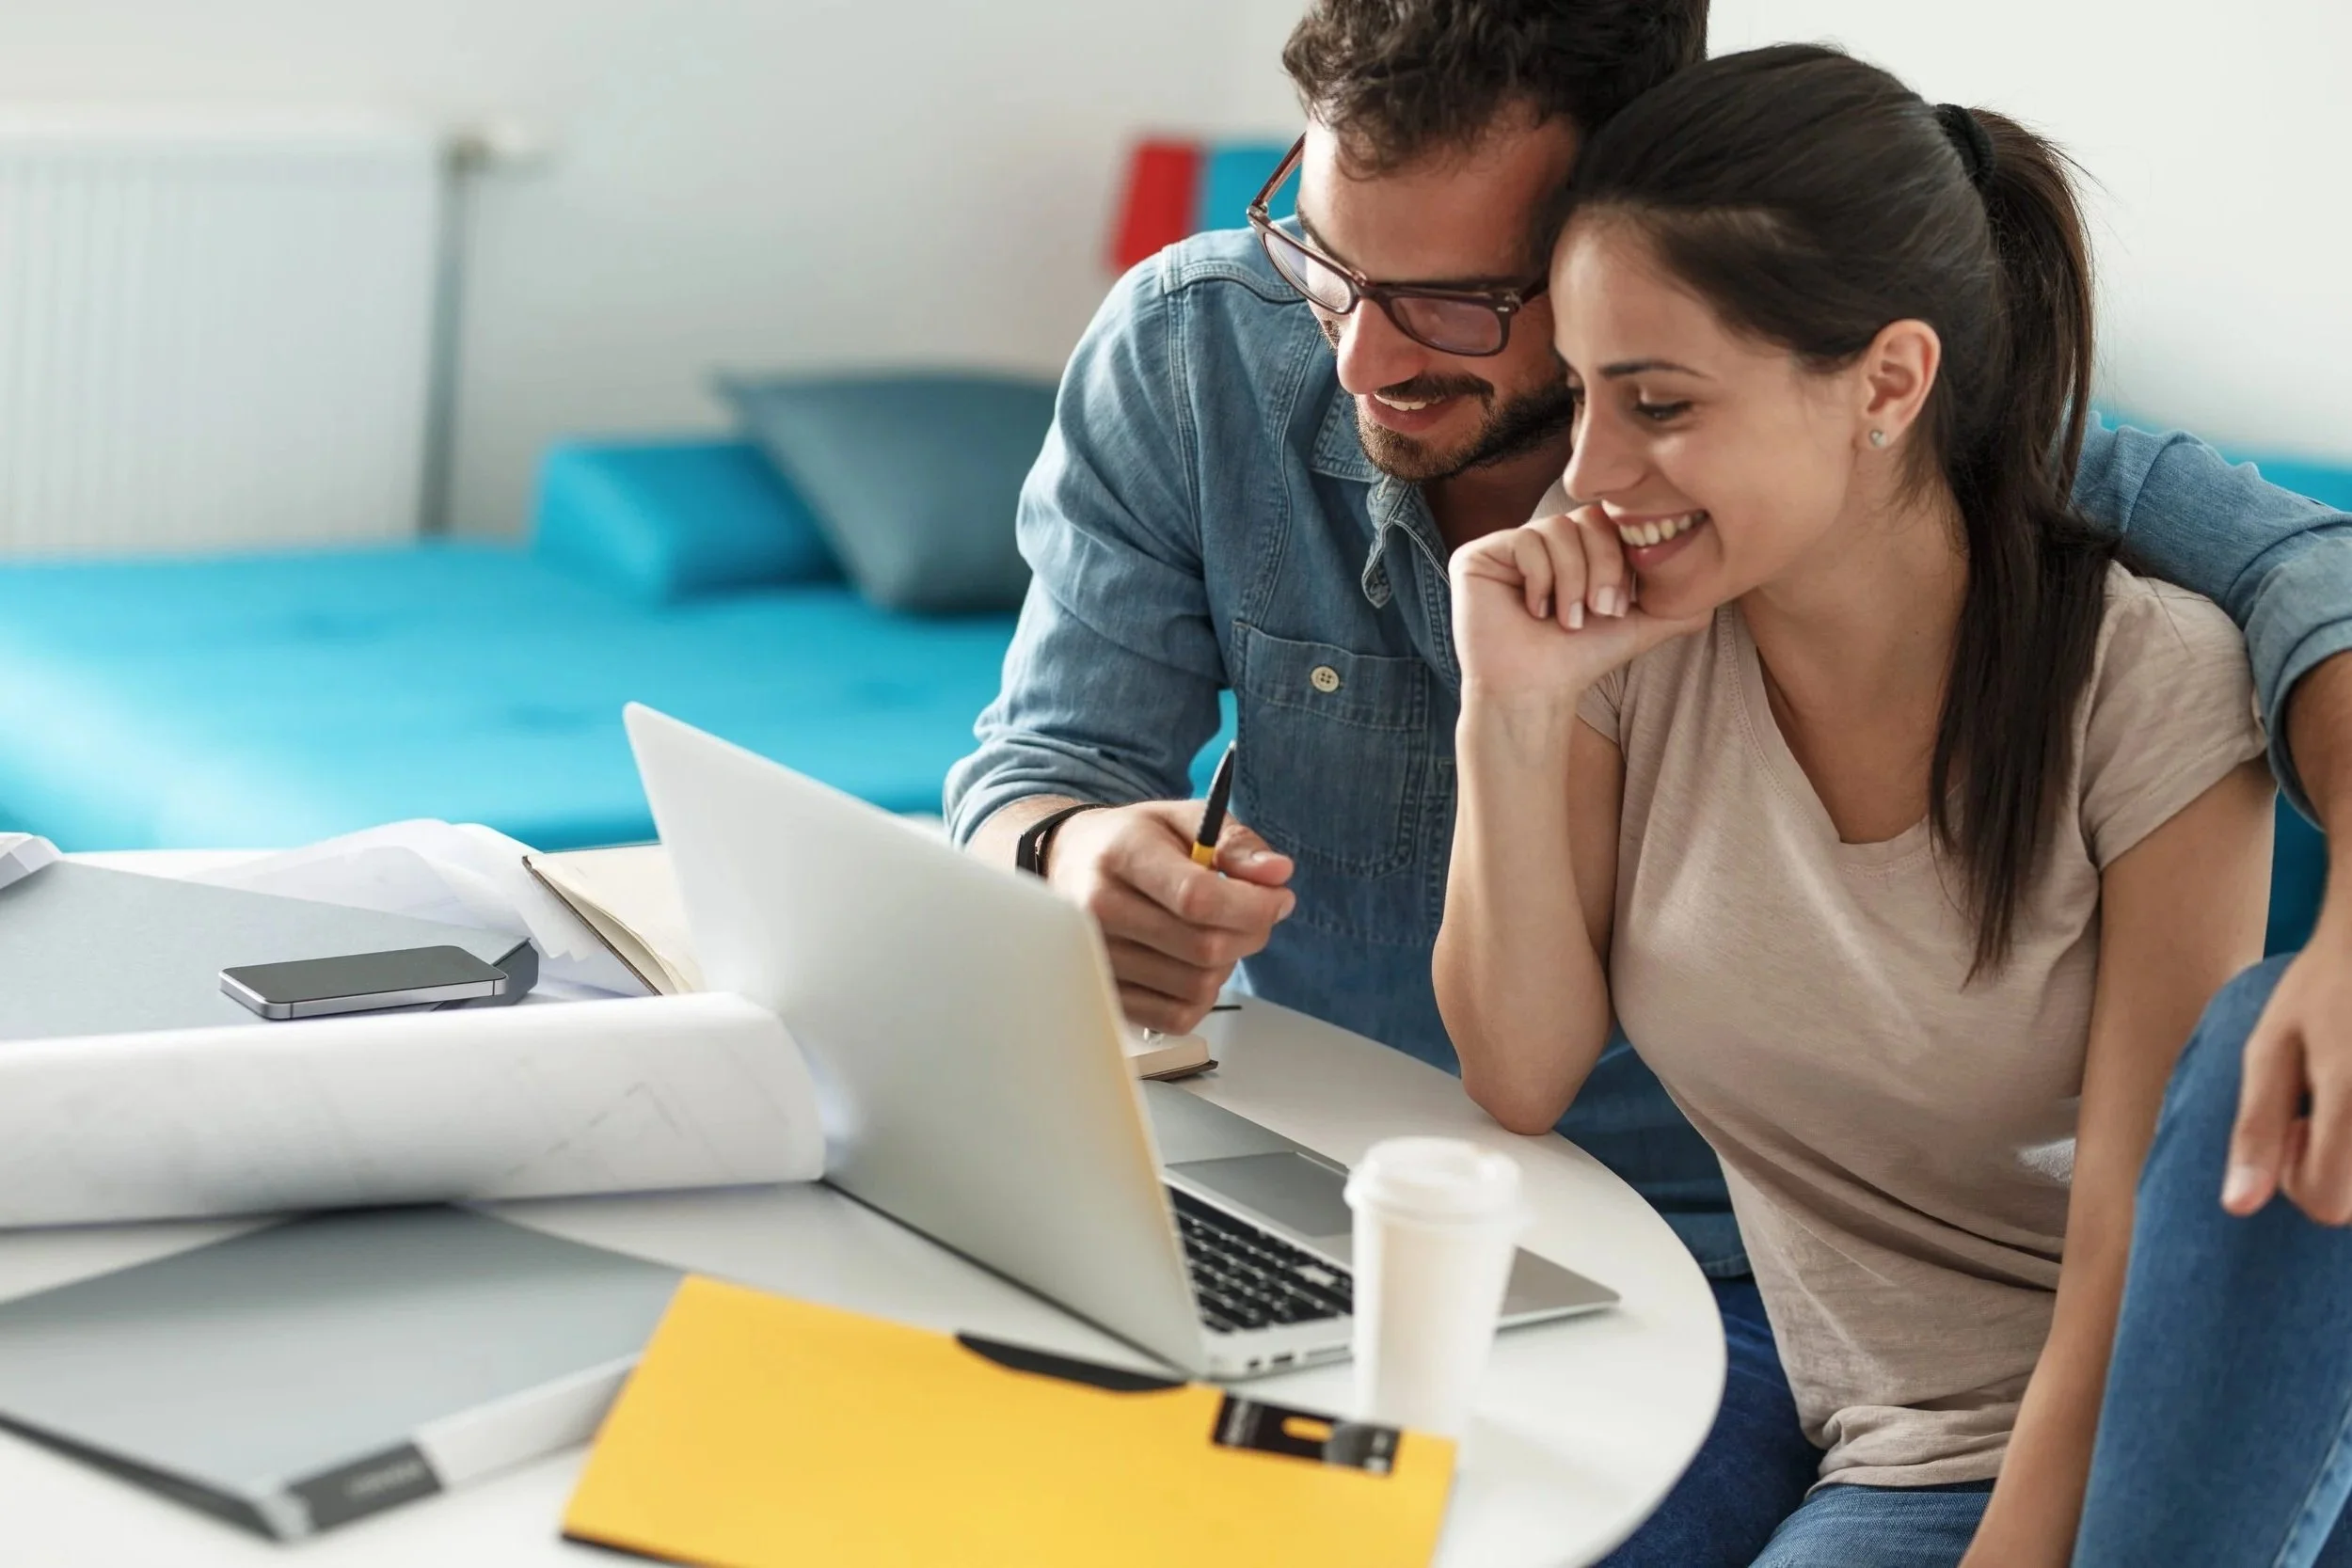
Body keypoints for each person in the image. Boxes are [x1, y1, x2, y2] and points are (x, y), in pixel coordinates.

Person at [946, 2, 2352, 1559]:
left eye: (1456, 301)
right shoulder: (1594, 590)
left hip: (1812, 1320)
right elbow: (1047, 773)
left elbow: (2316, 573)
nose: (1360, 352)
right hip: (1400, 1204)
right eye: (1326, 262)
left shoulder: (1993, 547)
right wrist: (1073, 851)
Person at [1437, 40, 2321, 1567]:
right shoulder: (1639, 644)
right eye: (1581, 394)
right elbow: (1518, 1069)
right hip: (1883, 1435)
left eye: (1660, 402)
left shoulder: (2147, 683)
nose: (1590, 468)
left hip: (2150, 1445)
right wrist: (1508, 706)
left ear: (1890, 383)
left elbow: (2135, 1260)